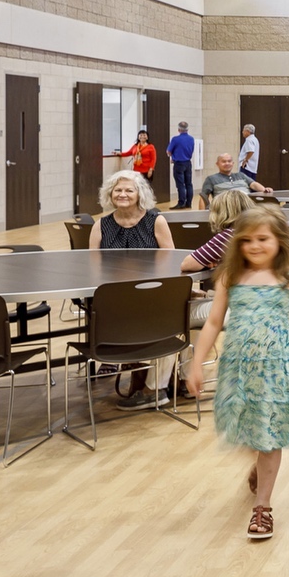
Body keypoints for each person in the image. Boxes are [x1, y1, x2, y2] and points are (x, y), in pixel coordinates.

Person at [185, 206, 289, 541]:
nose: (255, 246)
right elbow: (214, 322)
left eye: (263, 239)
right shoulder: (230, 276)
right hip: (238, 368)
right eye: (247, 240)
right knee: (242, 429)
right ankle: (259, 464)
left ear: (279, 240)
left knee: (269, 434)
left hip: (275, 369)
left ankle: (263, 507)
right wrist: (196, 363)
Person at [92, 170, 178, 411]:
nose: (123, 194)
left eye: (129, 190)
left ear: (140, 194)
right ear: (110, 194)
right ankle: (126, 364)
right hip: (114, 297)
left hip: (152, 294)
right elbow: (90, 267)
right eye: (118, 190)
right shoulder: (101, 225)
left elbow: (170, 261)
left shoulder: (156, 221)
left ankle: (154, 388)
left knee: (170, 321)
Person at [201, 153, 274, 204]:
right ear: (217, 164)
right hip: (225, 208)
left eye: (229, 161)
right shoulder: (211, 179)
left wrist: (264, 189)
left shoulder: (241, 175)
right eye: (223, 161)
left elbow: (253, 184)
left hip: (247, 205)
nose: (227, 163)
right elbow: (203, 197)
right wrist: (202, 214)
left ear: (233, 163)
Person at [166, 122, 196, 209]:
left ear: (179, 129)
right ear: (187, 129)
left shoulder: (175, 139)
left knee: (180, 184)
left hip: (179, 163)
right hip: (188, 163)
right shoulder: (191, 139)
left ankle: (181, 203)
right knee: (189, 184)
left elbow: (168, 151)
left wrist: (173, 157)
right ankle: (189, 203)